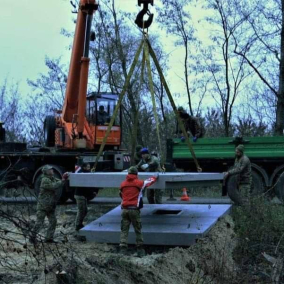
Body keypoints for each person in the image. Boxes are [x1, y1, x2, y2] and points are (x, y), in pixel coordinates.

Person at [119, 166, 158, 257]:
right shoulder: (139, 183)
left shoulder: (123, 184)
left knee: (124, 230)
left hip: (124, 210)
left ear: (128, 174)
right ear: (136, 174)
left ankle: (123, 249)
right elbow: (149, 181)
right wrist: (155, 176)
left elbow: (121, 194)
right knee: (138, 230)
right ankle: (140, 250)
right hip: (134, 210)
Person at [30, 165, 68, 243]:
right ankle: (32, 238)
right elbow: (54, 186)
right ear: (46, 172)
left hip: (50, 205)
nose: (52, 170)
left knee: (53, 221)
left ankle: (49, 238)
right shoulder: (44, 180)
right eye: (50, 170)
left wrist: (63, 180)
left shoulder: (52, 178)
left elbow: (59, 182)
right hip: (43, 205)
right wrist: (62, 180)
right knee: (39, 222)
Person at [74, 162, 97, 231]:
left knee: (85, 211)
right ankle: (77, 225)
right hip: (80, 195)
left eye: (89, 167)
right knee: (81, 211)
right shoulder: (82, 175)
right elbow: (86, 186)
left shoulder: (84, 173)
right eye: (87, 167)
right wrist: (92, 193)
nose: (89, 168)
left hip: (82, 195)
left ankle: (79, 223)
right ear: (84, 168)